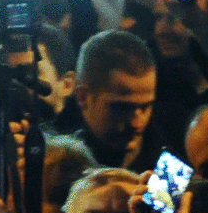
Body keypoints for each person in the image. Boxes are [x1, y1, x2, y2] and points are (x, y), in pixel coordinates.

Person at [54, 30, 169, 172]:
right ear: (82, 96)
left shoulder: (170, 155)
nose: (137, 123)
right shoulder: (52, 166)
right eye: (122, 108)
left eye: (145, 107)